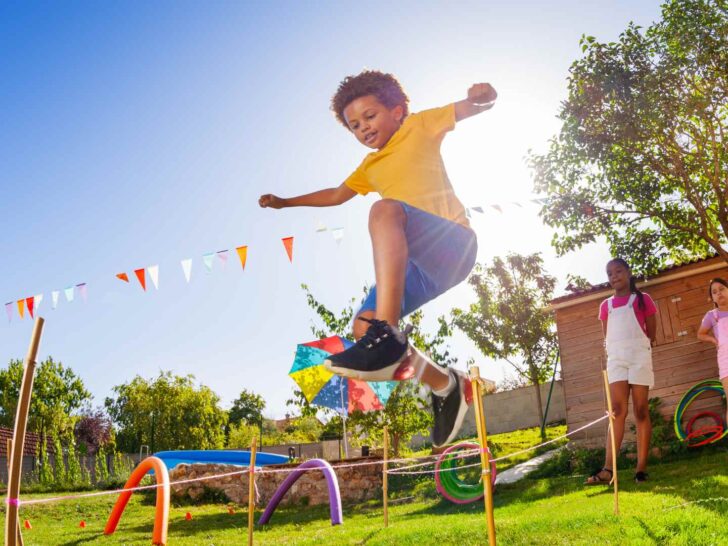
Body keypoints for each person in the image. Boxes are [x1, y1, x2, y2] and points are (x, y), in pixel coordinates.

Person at [259, 70, 497, 447]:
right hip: (421, 268)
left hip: (452, 243)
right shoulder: (369, 166)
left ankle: (387, 336)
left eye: (370, 116)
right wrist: (286, 202)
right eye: (354, 125)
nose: (363, 128)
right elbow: (336, 195)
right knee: (362, 328)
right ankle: (446, 385)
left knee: (384, 211)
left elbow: (472, 107)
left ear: (398, 111)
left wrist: (483, 95)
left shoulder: (418, 126)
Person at [586, 258, 657, 485]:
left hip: (639, 357)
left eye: (618, 271)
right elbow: (607, 337)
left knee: (641, 410)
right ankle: (608, 470)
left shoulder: (643, 300)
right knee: (616, 410)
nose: (614, 276)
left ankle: (641, 469)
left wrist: (641, 348)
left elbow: (651, 332)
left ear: (628, 272)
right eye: (609, 273)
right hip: (616, 360)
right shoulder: (605, 306)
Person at [696, 277, 728, 427]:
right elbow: (700, 334)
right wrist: (714, 341)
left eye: (722, 289)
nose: (719, 293)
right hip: (726, 362)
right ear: (712, 298)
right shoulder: (712, 316)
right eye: (715, 292)